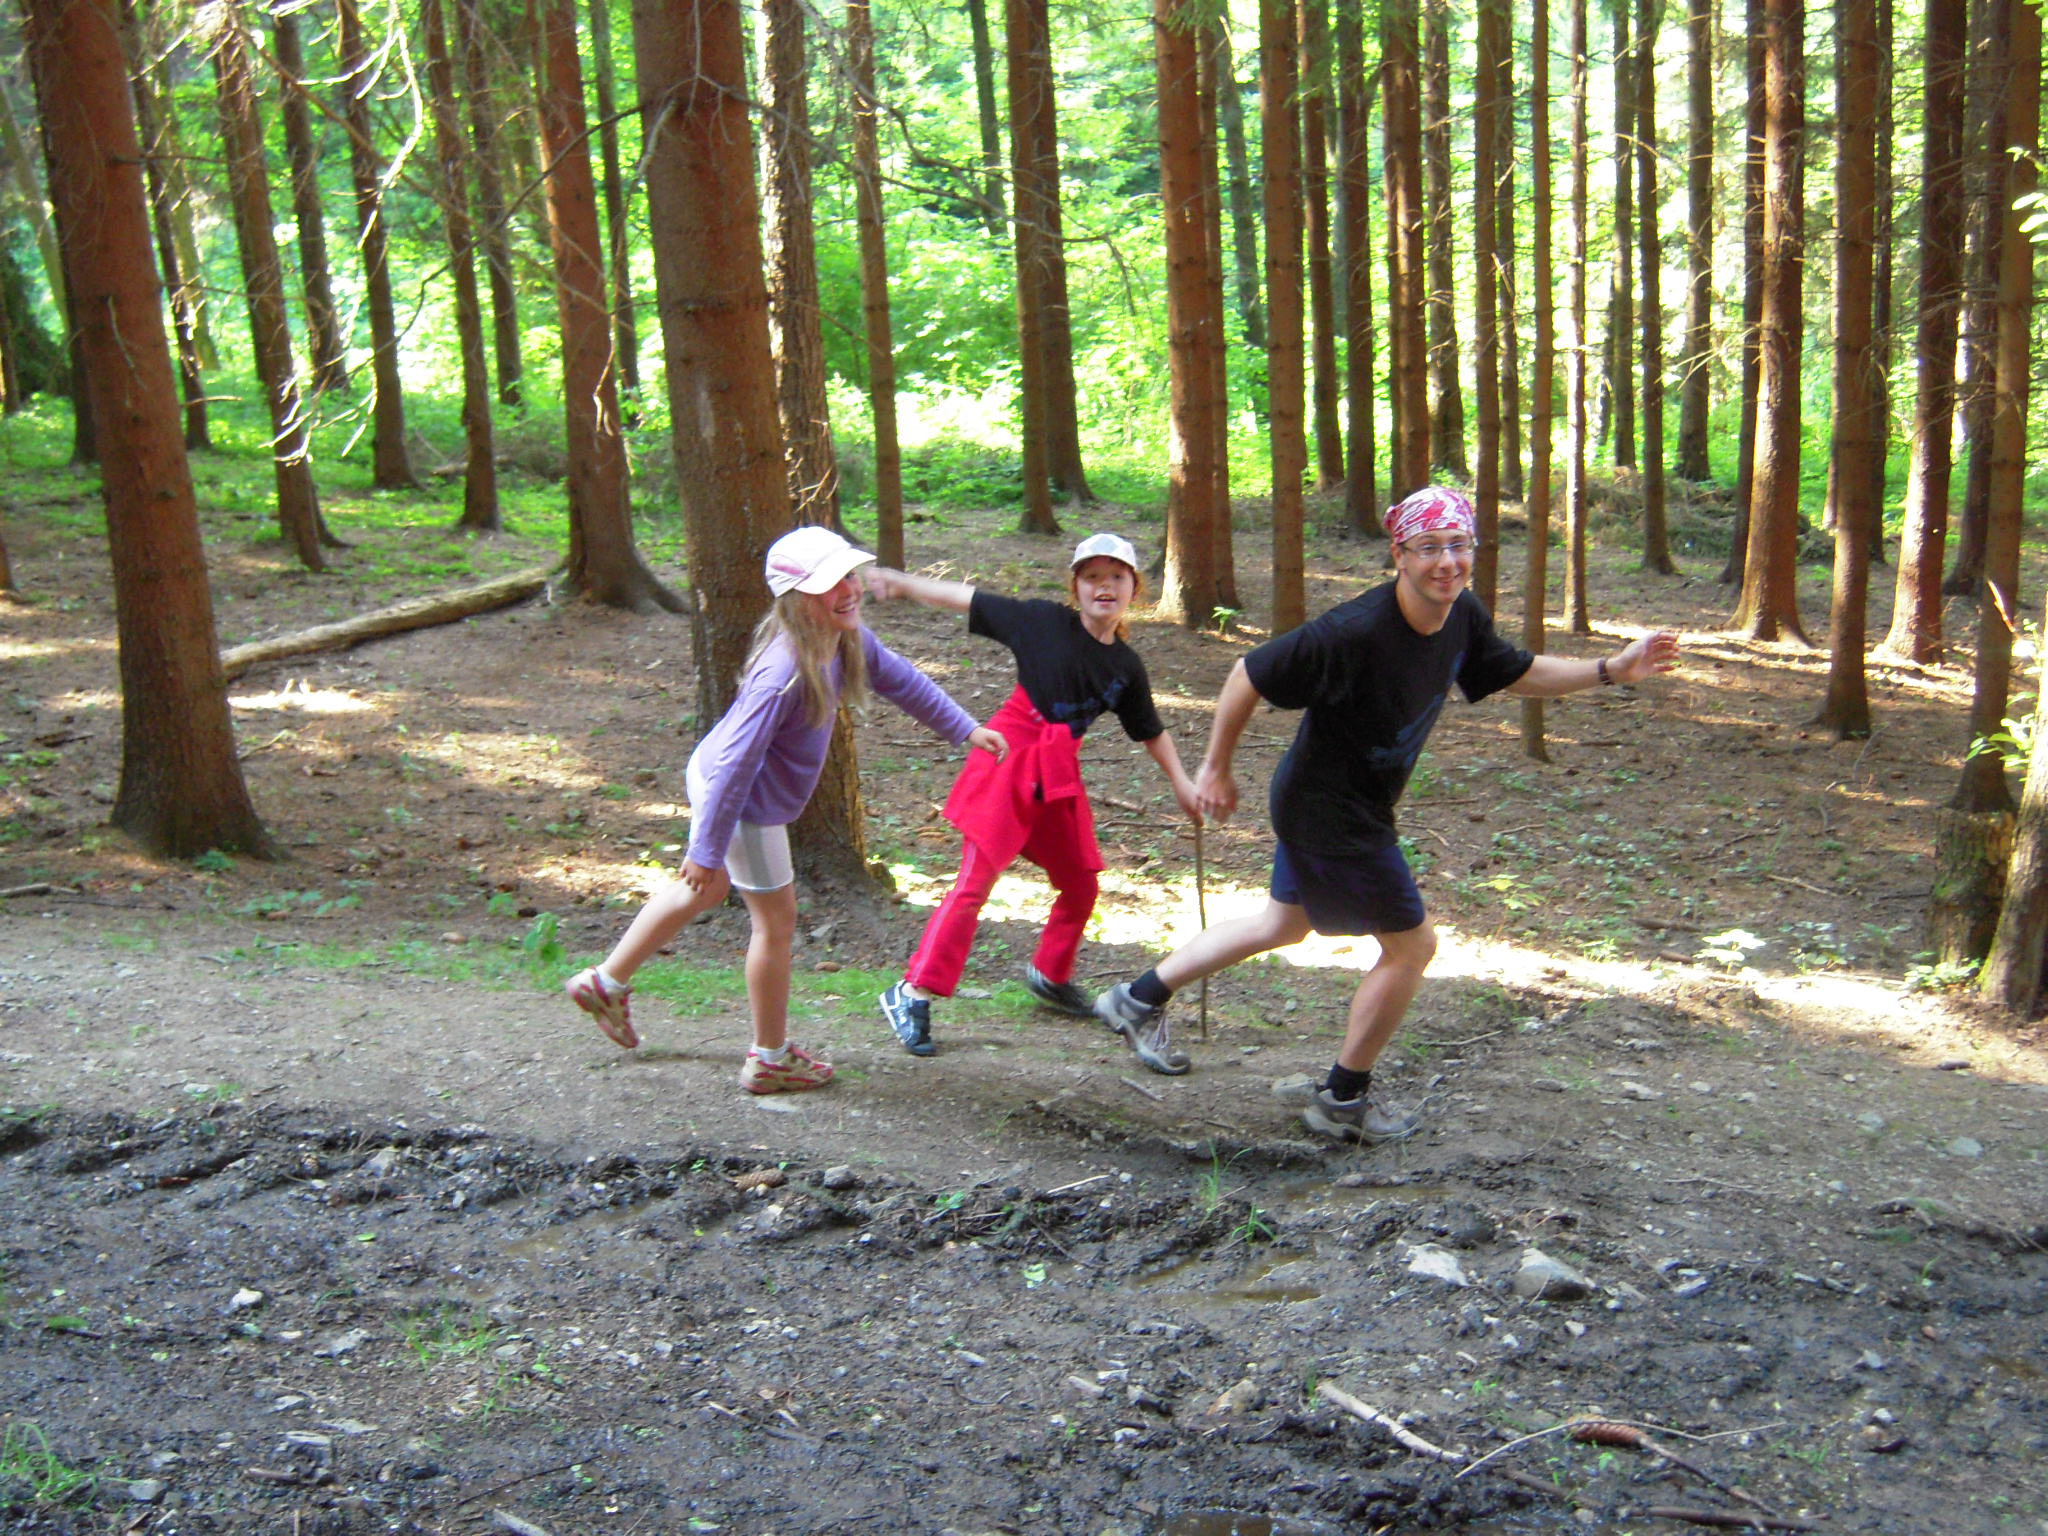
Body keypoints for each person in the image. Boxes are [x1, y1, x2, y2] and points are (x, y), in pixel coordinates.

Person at [1094, 486, 1682, 1139]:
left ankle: (1136, 999)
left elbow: (1512, 672)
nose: (1447, 562)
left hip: (1350, 802)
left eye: (1458, 545)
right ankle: (1342, 1100)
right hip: (1329, 809)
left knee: (1283, 924)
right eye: (1429, 548)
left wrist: (1610, 669)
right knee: (1412, 946)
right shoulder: (1353, 631)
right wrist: (1216, 767)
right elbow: (1248, 674)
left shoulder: (1461, 615)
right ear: (1399, 555)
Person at [565, 525, 1006, 1093]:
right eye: (829, 584)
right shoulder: (783, 673)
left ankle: (605, 982)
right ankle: (769, 1058)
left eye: (848, 576)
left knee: (707, 890)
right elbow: (737, 766)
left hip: (721, 777)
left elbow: (901, 679)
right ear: (797, 598)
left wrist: (965, 729)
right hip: (739, 798)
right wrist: (705, 848)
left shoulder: (843, 638)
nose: (848, 590)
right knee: (775, 921)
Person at [866, 533, 1201, 1063]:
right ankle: (912, 991)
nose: (1104, 586)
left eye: (1116, 576)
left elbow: (1150, 732)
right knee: (974, 886)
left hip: (1056, 772)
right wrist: (900, 582)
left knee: (1081, 882)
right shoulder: (1042, 621)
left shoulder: (1125, 666)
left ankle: (1049, 974)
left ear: (1134, 588)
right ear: (1076, 587)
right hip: (1007, 758)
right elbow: (965, 598)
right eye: (1092, 576)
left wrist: (1183, 783)